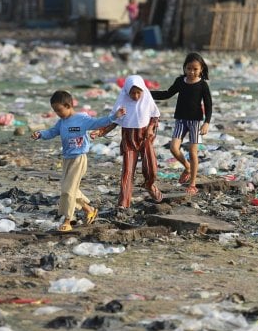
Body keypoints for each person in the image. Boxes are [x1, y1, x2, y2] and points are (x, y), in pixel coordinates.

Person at [32, 91, 126, 232]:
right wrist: (40, 134)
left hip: (79, 158)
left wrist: (114, 116)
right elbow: (52, 132)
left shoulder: (81, 118)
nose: (57, 113)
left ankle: (68, 219)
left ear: (68, 105)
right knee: (68, 189)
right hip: (67, 159)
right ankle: (89, 209)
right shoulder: (61, 122)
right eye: (55, 111)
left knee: (68, 190)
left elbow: (97, 122)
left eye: (59, 110)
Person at [91, 75, 163, 209]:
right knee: (128, 172)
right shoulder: (122, 103)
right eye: (132, 93)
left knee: (151, 168)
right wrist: (100, 132)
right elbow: (114, 121)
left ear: (142, 90)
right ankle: (123, 203)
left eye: (138, 93)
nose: (135, 96)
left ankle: (149, 185)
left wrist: (151, 128)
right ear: (127, 92)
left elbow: (154, 116)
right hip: (129, 140)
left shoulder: (146, 99)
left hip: (145, 138)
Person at [151, 52, 213, 195]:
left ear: (201, 69)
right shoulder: (180, 81)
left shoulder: (203, 85)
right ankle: (187, 167)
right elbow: (167, 94)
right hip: (180, 120)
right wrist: (148, 93)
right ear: (184, 68)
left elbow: (208, 105)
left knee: (193, 152)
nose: (191, 72)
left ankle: (192, 183)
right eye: (189, 68)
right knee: (173, 148)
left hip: (196, 121)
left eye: (195, 69)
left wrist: (207, 123)